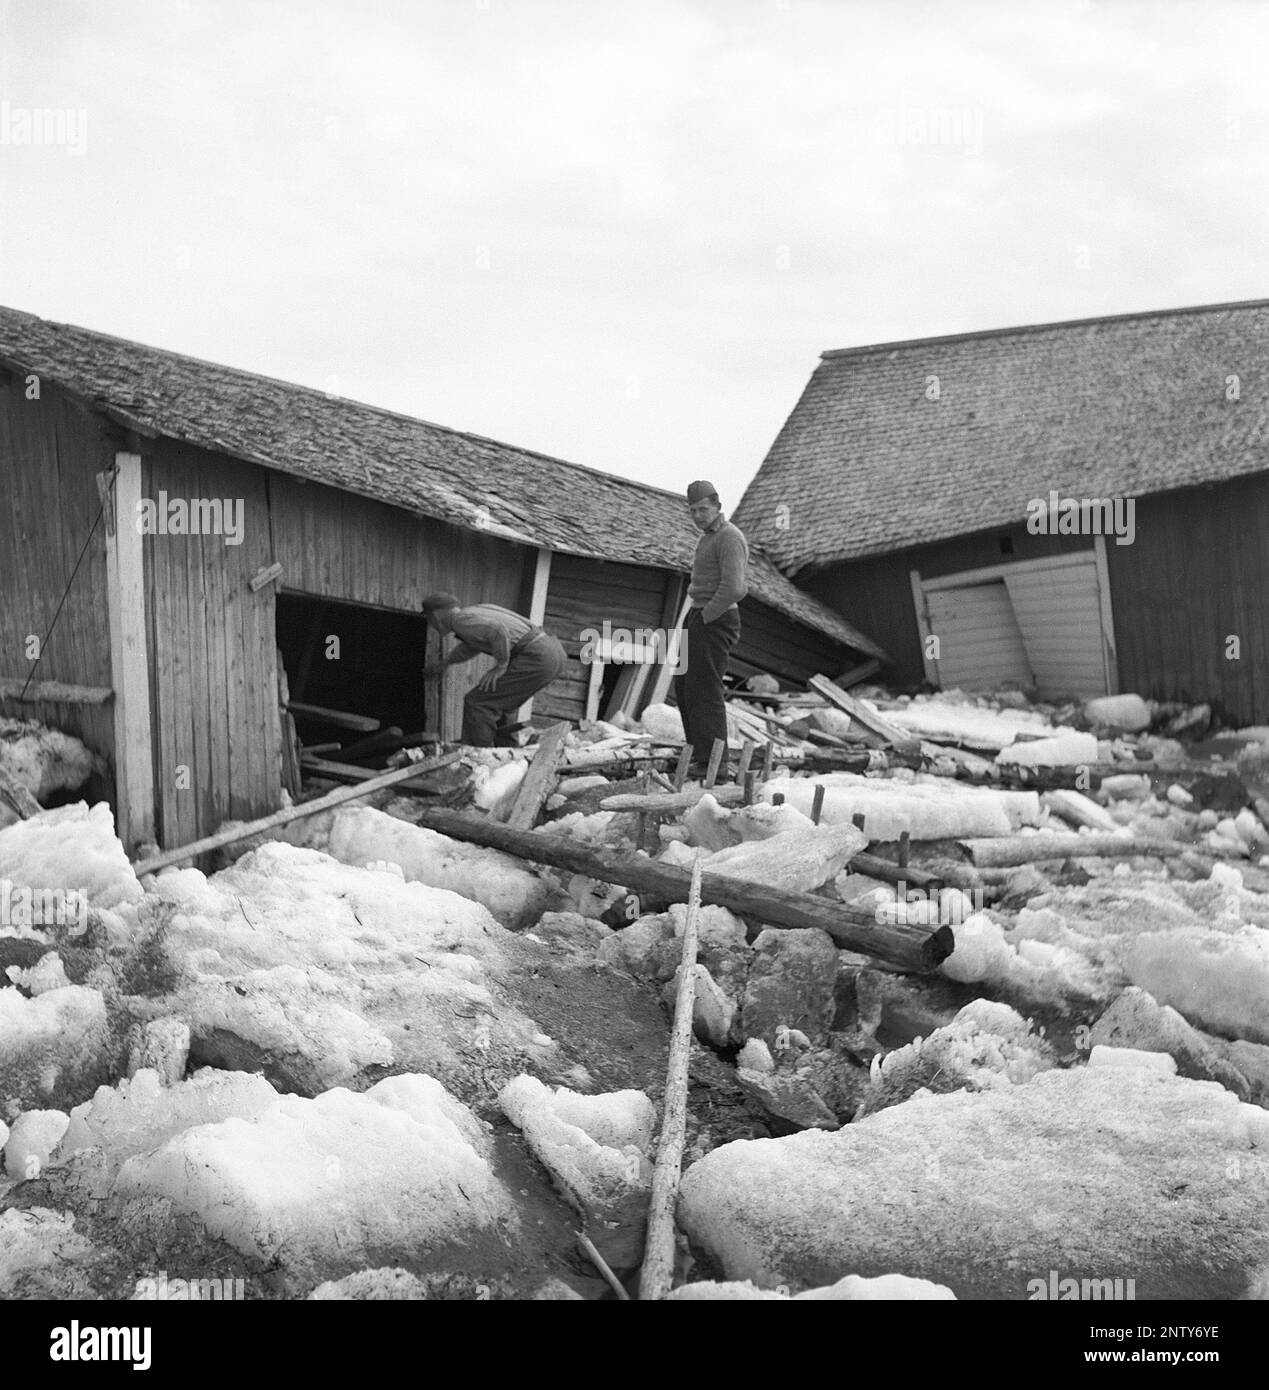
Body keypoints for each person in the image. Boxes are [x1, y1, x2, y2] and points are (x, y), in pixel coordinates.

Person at [420, 593, 566, 746]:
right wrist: (445, 663)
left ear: (435, 615)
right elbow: (471, 646)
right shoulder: (473, 613)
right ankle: (507, 749)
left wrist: (501, 666)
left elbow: (497, 630)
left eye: (429, 619)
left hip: (537, 656)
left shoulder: (460, 620)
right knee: (503, 703)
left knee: (478, 702)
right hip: (552, 652)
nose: (431, 624)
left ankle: (479, 753)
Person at [675, 480, 748, 778]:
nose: (697, 515)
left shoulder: (729, 537)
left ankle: (715, 764)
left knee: (706, 688)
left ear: (717, 505)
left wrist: (706, 616)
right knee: (684, 684)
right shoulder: (705, 538)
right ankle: (699, 755)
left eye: (703, 509)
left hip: (715, 617)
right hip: (698, 613)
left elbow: (735, 587)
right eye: (692, 510)